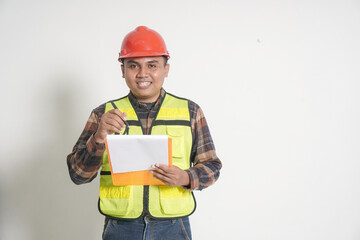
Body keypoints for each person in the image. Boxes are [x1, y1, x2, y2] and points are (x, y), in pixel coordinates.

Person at [67, 26, 222, 240]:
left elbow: (212, 166)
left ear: (166, 69)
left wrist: (186, 176)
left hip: (173, 227)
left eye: (152, 65)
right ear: (122, 70)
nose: (142, 74)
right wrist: (99, 136)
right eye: (133, 65)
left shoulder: (190, 112)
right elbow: (78, 174)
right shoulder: (103, 114)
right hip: (120, 227)